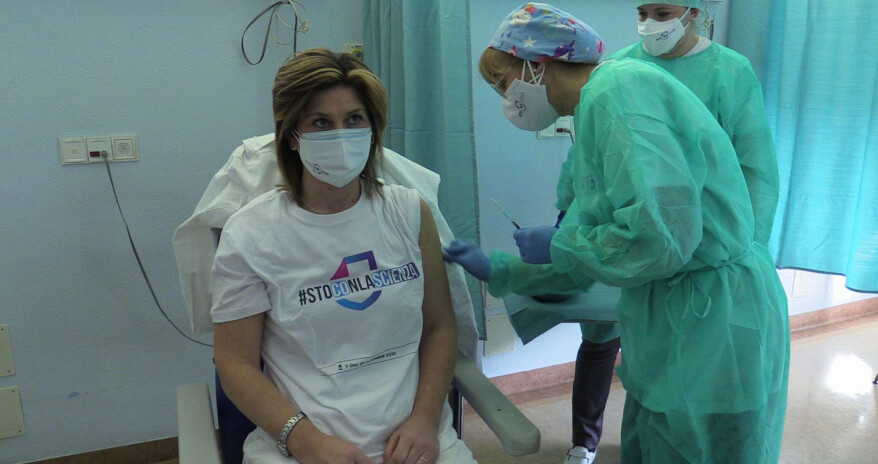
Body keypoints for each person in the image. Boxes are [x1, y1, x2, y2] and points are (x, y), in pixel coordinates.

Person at [444, 3, 790, 463]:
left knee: (704, 446)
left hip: (713, 317)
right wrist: (504, 271)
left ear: (537, 64)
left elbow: (659, 239)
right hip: (668, 311)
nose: (507, 100)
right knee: (654, 443)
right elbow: (597, 229)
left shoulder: (617, 92)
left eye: (504, 84)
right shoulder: (594, 106)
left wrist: (560, 244)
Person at [211, 48, 476, 464]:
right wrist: (305, 440)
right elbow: (234, 362)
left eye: (354, 119)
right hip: (301, 449)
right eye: (321, 122)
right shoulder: (251, 233)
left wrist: (425, 421)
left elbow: (439, 328)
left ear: (372, 129)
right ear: (291, 136)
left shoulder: (409, 212)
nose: (341, 135)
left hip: (418, 441)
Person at [556, 1, 782, 462]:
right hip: (627, 242)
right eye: (642, 11)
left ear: (694, 11)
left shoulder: (729, 72)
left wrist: (737, 255)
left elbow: (754, 169)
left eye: (661, 12)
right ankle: (584, 441)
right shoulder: (617, 69)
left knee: (702, 394)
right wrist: (571, 218)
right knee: (613, 351)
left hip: (704, 264)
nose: (648, 23)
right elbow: (585, 161)